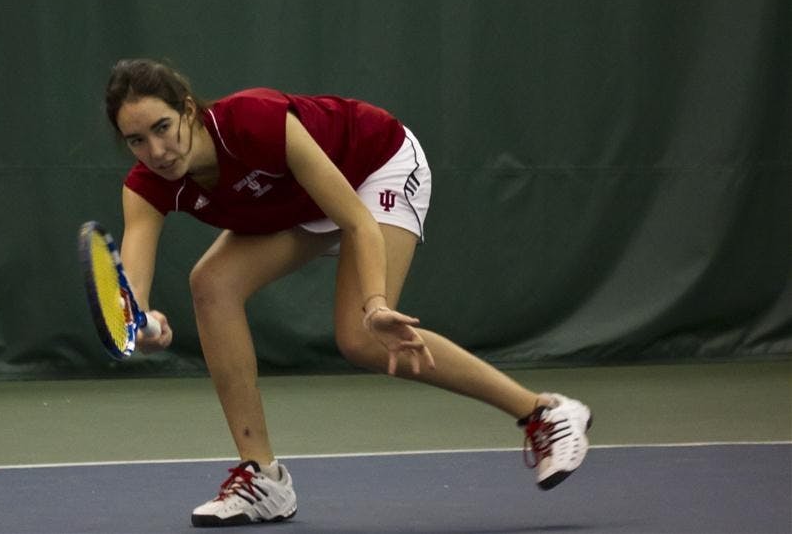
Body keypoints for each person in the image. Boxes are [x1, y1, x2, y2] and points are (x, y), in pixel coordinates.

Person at [104, 58, 593, 528]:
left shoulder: (255, 121)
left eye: (163, 127)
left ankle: (545, 415)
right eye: (136, 140)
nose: (157, 150)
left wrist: (375, 305)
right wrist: (142, 323)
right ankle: (264, 478)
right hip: (294, 200)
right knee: (211, 284)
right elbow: (133, 294)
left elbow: (357, 221)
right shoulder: (147, 187)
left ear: (187, 109)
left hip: (375, 166)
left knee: (361, 339)